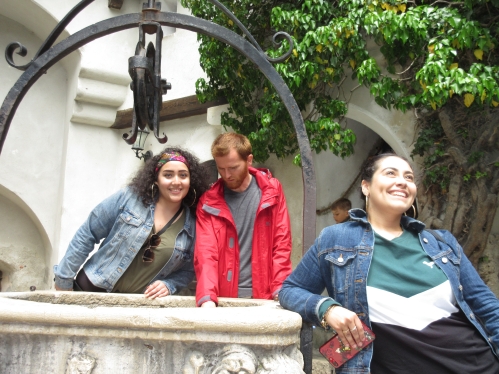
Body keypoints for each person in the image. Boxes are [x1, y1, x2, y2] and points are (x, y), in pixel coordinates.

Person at [280, 153, 499, 373]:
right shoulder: (336, 240)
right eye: (390, 173)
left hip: (475, 365)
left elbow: (487, 307)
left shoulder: (441, 243)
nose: (403, 181)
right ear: (366, 186)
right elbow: (290, 290)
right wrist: (327, 309)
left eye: (409, 177)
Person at [54, 147, 209, 298]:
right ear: (156, 180)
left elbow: (188, 270)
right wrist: (64, 279)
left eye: (183, 175)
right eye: (168, 175)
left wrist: (170, 284)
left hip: (132, 306)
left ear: (190, 180)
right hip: (89, 290)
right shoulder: (130, 198)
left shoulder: (193, 225)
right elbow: (88, 233)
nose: (176, 182)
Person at [194, 133, 292, 307]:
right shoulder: (208, 202)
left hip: (265, 295)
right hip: (223, 299)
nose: (227, 175)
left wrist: (281, 288)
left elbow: (281, 243)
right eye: (221, 169)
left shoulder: (272, 191)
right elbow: (205, 253)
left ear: (249, 160)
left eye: (233, 167)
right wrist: (207, 297)